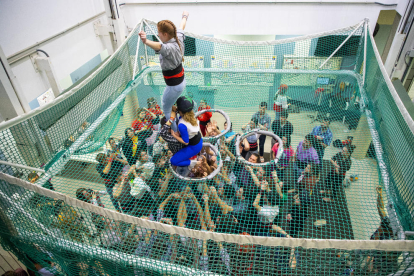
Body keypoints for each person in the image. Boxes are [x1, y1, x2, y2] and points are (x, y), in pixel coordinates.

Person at [139, 11, 189, 131]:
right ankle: (176, 122)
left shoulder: (169, 48)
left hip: (174, 86)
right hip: (181, 82)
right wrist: (184, 17)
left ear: (165, 34)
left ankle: (175, 131)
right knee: (170, 105)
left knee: (165, 108)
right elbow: (182, 26)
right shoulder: (178, 38)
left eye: (159, 33)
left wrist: (146, 41)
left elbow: (159, 46)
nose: (158, 35)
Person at [170, 96, 203, 174]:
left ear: (180, 111)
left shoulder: (182, 124)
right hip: (198, 140)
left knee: (173, 161)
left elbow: (186, 142)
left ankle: (192, 162)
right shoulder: (192, 115)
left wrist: (175, 135)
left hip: (194, 147)